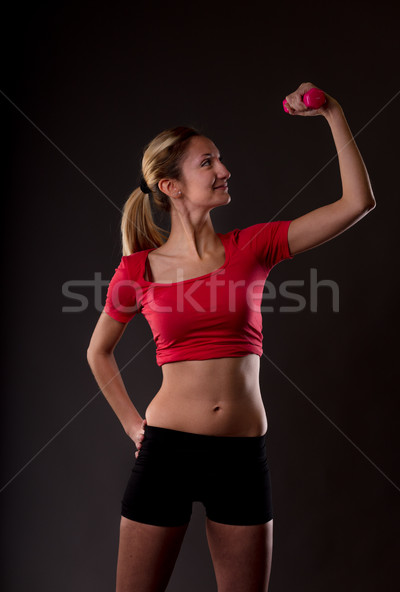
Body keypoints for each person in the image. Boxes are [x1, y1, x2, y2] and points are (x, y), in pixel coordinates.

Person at [87, 81, 376, 592]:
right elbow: (98, 351)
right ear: (170, 186)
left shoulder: (253, 246)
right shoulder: (138, 270)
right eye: (207, 163)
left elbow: (357, 202)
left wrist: (332, 113)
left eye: (219, 159)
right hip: (167, 453)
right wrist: (135, 427)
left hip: (241, 458)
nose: (223, 170)